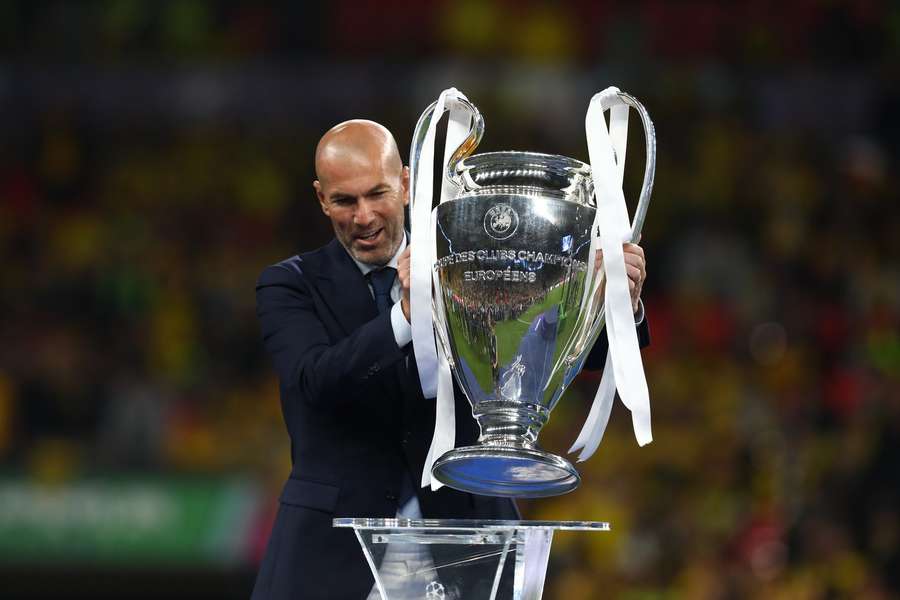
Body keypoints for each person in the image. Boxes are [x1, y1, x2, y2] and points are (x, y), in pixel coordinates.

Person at [250, 120, 649, 600]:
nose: (363, 216)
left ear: (405, 183)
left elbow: (547, 354)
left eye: (377, 193)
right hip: (332, 552)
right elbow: (315, 382)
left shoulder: (467, 256)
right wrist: (405, 315)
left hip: (467, 534)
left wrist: (614, 307)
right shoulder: (289, 284)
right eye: (344, 201)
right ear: (320, 198)